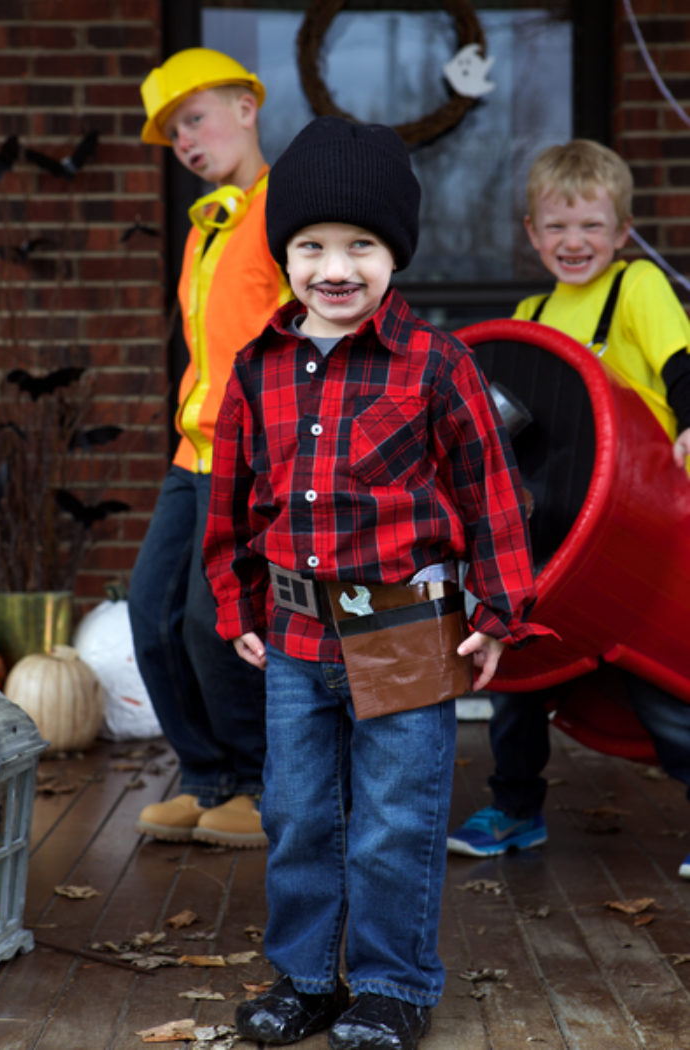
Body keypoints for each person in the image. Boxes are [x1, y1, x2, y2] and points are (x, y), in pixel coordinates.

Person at [203, 116, 550, 1050]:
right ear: (285, 255)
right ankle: (307, 977)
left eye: (362, 245)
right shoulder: (256, 371)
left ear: (396, 253)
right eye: (311, 245)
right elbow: (231, 505)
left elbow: (492, 498)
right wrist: (237, 604)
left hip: (405, 629)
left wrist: (499, 611)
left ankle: (393, 984)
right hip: (293, 638)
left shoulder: (437, 366)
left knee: (395, 820)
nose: (335, 267)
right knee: (298, 814)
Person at [447, 139, 690, 879]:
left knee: (661, 686)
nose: (573, 242)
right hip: (553, 530)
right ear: (531, 233)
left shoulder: (637, 286)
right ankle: (516, 811)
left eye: (590, 226)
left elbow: (682, 362)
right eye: (557, 227)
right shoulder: (531, 313)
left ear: (620, 233)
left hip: (641, 532)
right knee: (517, 672)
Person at [129, 48, 291, 847]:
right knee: (150, 615)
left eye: (196, 119)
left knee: (211, 620)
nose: (186, 141)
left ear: (247, 107)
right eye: (174, 133)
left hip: (249, 458)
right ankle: (206, 777)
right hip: (189, 455)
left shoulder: (282, 212)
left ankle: (259, 787)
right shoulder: (209, 228)